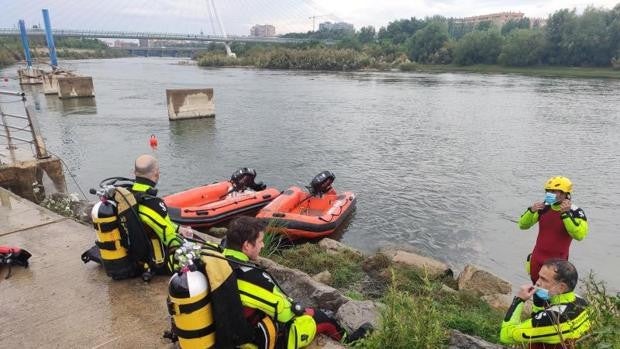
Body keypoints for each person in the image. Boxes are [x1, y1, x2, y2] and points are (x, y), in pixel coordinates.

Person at [222, 216, 371, 349]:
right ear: (247, 245)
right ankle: (349, 341)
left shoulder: (219, 259)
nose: (263, 246)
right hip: (254, 338)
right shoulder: (251, 277)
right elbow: (285, 313)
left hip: (234, 325)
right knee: (322, 318)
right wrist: (300, 309)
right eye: (260, 241)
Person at [500, 259, 591, 348]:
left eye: (543, 279)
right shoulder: (582, 301)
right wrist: (538, 305)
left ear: (561, 287)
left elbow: (505, 335)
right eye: (539, 277)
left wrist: (519, 300)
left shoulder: (552, 317)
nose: (537, 282)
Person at [518, 176, 588, 283]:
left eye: (554, 191)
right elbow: (523, 225)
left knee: (552, 295)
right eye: (548, 191)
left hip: (557, 264)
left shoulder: (575, 212)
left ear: (565, 193)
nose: (549, 194)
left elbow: (579, 235)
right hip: (537, 259)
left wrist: (565, 214)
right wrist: (531, 211)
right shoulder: (544, 207)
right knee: (536, 293)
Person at [131, 154, 193, 274]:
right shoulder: (152, 203)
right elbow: (170, 240)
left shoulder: (129, 195)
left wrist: (179, 228)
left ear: (134, 172)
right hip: (153, 260)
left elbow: (158, 223)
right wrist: (188, 243)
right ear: (156, 173)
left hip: (134, 252)